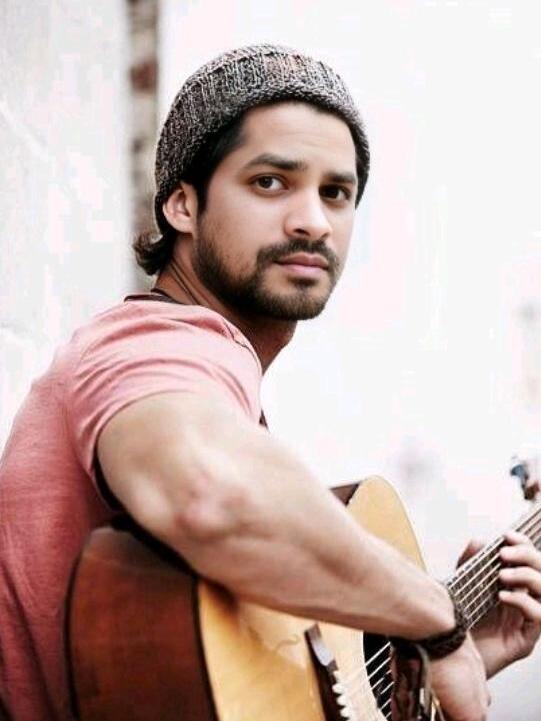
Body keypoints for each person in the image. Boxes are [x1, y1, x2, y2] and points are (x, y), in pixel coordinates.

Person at [0, 44, 540, 721]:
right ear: (182, 205)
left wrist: (432, 675)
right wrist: (438, 620)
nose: (312, 219)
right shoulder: (155, 342)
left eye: (335, 193)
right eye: (270, 182)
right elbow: (208, 493)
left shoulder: (210, 386)